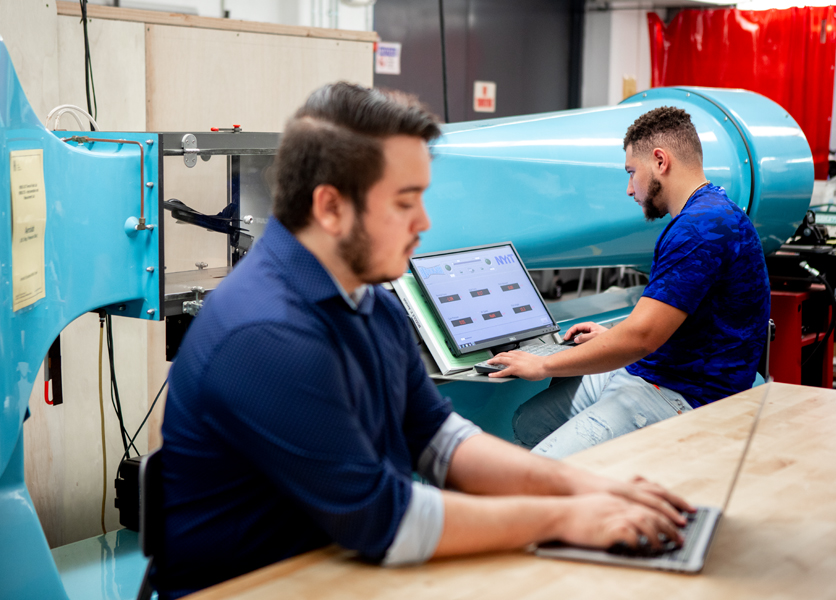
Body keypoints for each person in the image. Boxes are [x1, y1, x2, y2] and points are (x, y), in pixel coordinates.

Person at [157, 84, 691, 599]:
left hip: (345, 571)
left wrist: (586, 487)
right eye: (405, 202)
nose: (424, 222)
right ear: (331, 207)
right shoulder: (264, 334)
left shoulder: (370, 303)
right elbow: (388, 521)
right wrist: (567, 515)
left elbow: (438, 437)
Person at [490, 106, 770, 459]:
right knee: (529, 422)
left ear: (659, 161)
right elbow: (673, 320)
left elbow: (641, 337)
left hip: (683, 393)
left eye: (631, 172)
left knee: (538, 469)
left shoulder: (699, 229)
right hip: (664, 368)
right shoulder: (713, 209)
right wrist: (611, 339)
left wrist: (542, 364)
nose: (628, 188)